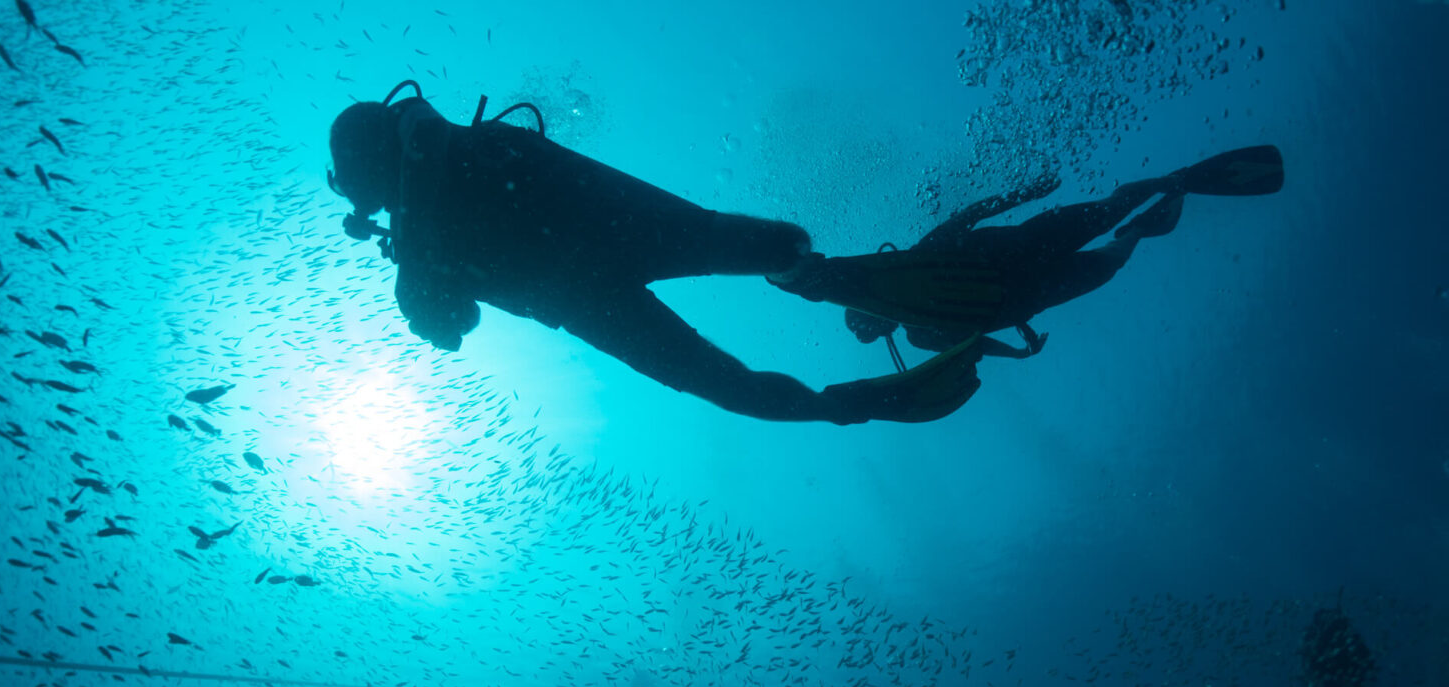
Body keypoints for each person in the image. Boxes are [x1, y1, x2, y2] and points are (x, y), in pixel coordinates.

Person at [327, 81, 985, 425]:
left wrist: (414, 275)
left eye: (357, 186)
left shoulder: (423, 170)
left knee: (768, 266)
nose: (366, 203)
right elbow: (457, 317)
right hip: (592, 273)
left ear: (367, 158)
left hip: (596, 250)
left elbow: (450, 317)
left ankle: (825, 302)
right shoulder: (423, 216)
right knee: (733, 362)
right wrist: (421, 276)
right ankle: (840, 375)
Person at [771, 146, 1285, 367]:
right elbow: (974, 344)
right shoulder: (920, 318)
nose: (871, 325)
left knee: (1108, 231)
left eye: (863, 324)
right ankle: (1145, 218)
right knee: (1112, 243)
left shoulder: (917, 276)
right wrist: (1018, 352)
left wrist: (1026, 191)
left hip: (1033, 266)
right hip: (1034, 276)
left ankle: (1164, 192)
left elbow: (966, 219)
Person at [1291, 591, 1377, 687]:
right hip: (1337, 674)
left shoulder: (1335, 635)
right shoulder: (1336, 634)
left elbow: (1361, 656)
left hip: (1338, 673)